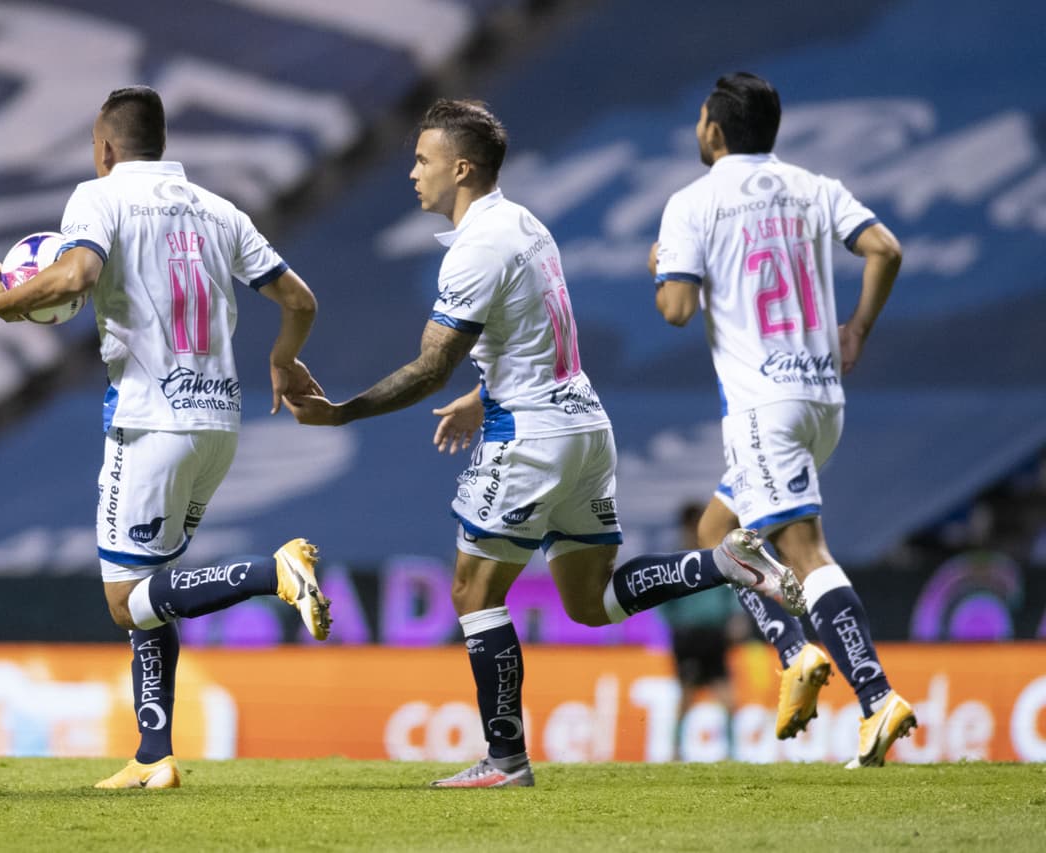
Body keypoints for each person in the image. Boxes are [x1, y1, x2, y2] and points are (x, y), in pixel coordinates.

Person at [285, 98, 803, 788]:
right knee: (589, 602)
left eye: (422, 160)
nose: (412, 173)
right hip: (584, 426)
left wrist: (341, 412)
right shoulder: (524, 223)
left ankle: (505, 761)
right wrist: (481, 394)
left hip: (529, 438)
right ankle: (724, 564)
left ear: (461, 167)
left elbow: (429, 366)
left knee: (472, 592)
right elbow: (539, 337)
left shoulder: (473, 251)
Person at [0, 86, 332, 789]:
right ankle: (155, 754)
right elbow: (300, 299)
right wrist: (284, 359)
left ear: (105, 146)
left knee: (125, 600)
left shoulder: (99, 196)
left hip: (149, 422)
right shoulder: (217, 208)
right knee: (157, 590)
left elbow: (77, 272)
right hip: (218, 426)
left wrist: (8, 300)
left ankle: (276, 573)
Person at [649, 72, 913, 768]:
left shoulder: (692, 202)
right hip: (823, 398)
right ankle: (795, 654)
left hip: (765, 406)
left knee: (804, 549)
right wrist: (857, 326)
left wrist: (663, 267)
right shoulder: (814, 186)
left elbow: (675, 309)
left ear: (713, 130)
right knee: (716, 532)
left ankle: (878, 697)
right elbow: (885, 248)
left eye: (702, 117)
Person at [662, 502, 749, 760]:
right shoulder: (674, 560)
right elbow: (662, 600)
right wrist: (677, 625)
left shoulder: (715, 556)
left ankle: (732, 754)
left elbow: (730, 589)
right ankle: (675, 752)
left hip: (715, 636)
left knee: (728, 699)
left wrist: (736, 618)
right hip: (689, 637)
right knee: (687, 697)